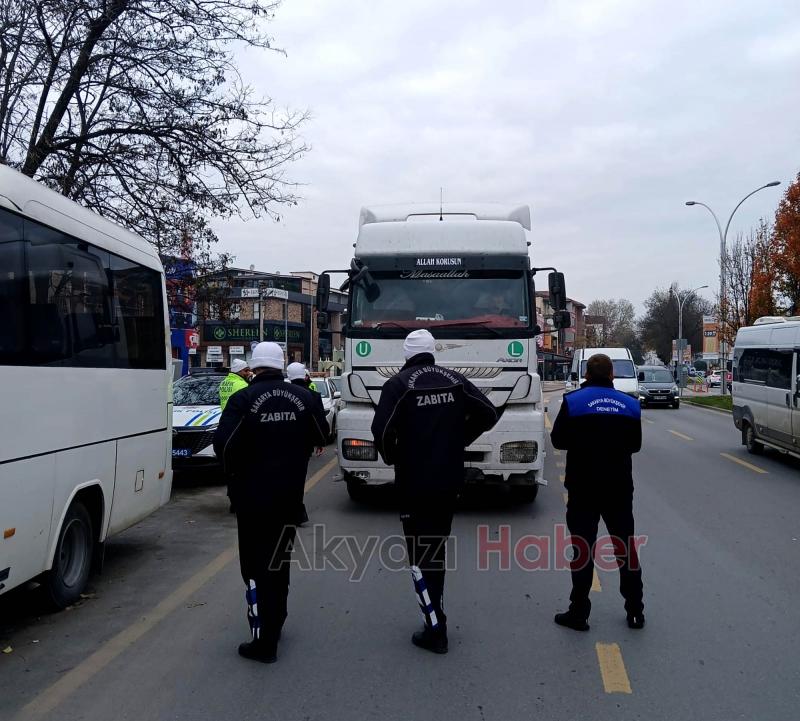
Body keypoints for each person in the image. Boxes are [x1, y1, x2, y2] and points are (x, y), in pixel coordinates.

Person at [371, 329, 498, 654]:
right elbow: (489, 412)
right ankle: (435, 615)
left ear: (405, 354)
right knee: (436, 549)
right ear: (432, 351)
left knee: (419, 554)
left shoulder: (398, 385)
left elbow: (382, 431)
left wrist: (394, 456)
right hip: (449, 480)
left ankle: (435, 628)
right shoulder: (454, 380)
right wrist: (460, 440)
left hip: (414, 481)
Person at [213, 342, 329, 663]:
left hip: (251, 499)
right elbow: (322, 435)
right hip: (289, 497)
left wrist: (236, 474)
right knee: (279, 562)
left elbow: (222, 447)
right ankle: (276, 622)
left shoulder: (243, 399)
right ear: (281, 365)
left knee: (253, 567)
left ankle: (263, 640)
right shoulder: (305, 397)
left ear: (254, 366)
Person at [550, 353, 645, 631]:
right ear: (612, 375)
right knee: (625, 549)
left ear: (587, 375)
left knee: (583, 550)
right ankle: (635, 611)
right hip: (618, 489)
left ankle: (579, 613)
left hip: (583, 488)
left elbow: (558, 439)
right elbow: (635, 445)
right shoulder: (630, 405)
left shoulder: (574, 402)